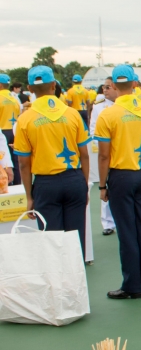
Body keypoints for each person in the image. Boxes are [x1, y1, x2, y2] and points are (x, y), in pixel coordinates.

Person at [95, 65, 141, 300]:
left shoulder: (108, 115)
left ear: (113, 85)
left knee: (127, 232)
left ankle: (132, 285)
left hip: (121, 176)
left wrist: (102, 185)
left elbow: (104, 155)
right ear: (134, 84)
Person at [14, 66, 91, 256]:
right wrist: (84, 184)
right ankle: (77, 274)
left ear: (29, 89)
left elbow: (23, 163)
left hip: (45, 184)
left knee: (51, 243)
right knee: (75, 240)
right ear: (54, 86)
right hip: (74, 179)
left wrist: (29, 196)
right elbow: (84, 154)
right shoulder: (72, 114)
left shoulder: (25, 119)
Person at [89, 77, 118, 236]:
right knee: (105, 184)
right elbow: (93, 130)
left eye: (108, 87)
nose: (104, 90)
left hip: (123, 151)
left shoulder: (125, 105)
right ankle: (108, 223)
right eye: (104, 87)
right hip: (107, 150)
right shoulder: (99, 107)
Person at [0, 73, 22, 184]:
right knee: (16, 160)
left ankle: (6, 181)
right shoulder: (14, 98)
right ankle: (17, 182)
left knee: (3, 159)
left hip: (3, 131)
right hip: (14, 131)